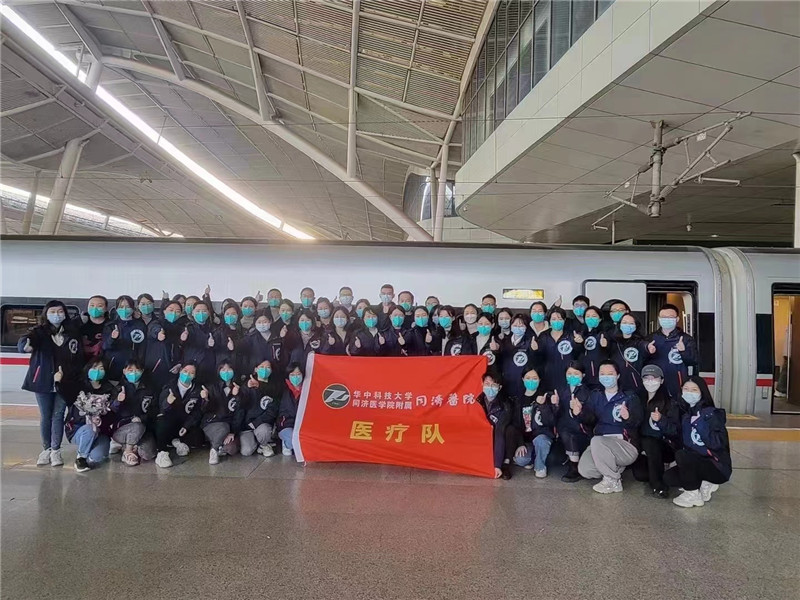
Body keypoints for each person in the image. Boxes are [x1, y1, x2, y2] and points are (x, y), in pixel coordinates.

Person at [19, 300, 84, 468]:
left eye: (60, 311)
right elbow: (25, 342)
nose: (57, 315)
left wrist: (72, 375)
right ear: (46, 314)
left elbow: (78, 356)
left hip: (65, 381)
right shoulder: (38, 332)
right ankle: (46, 449)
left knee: (58, 415)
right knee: (45, 415)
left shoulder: (72, 332)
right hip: (43, 381)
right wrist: (25, 345)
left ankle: (56, 450)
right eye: (53, 311)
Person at [576, 360, 643, 493]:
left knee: (597, 440)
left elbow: (638, 422)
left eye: (610, 373)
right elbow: (590, 419)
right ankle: (614, 468)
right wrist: (580, 413)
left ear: (618, 376)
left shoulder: (629, 396)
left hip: (625, 445)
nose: (606, 377)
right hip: (600, 444)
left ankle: (613, 481)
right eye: (602, 374)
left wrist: (627, 417)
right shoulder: (595, 395)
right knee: (585, 470)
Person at [667, 376, 731, 508]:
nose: (689, 393)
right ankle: (703, 483)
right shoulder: (686, 415)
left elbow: (717, 444)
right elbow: (676, 435)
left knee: (682, 455)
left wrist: (699, 425)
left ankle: (693, 495)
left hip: (716, 466)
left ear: (702, 392)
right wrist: (660, 422)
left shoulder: (711, 414)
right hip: (696, 462)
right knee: (668, 478)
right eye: (686, 389)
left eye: (694, 390)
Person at [63, 359, 117, 472]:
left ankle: (88, 452)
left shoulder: (110, 390)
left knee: (98, 457)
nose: (97, 371)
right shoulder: (78, 387)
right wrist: (58, 382)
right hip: (79, 429)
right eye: (94, 368)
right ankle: (81, 458)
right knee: (90, 429)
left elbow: (112, 415)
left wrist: (101, 420)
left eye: (101, 369)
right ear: (88, 369)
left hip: (101, 431)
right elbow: (66, 397)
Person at [631, 365, 674, 498]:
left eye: (654, 378)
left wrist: (661, 420)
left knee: (650, 442)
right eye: (646, 378)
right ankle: (660, 470)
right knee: (640, 475)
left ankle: (658, 485)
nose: (650, 381)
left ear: (661, 380)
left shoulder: (669, 402)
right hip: (643, 447)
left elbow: (674, 430)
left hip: (664, 445)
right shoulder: (637, 398)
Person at [153, 362, 205, 468]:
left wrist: (186, 426)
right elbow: (161, 409)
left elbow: (197, 412)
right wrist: (168, 402)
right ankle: (162, 452)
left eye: (191, 373)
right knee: (161, 421)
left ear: (195, 376)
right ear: (180, 371)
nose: (187, 375)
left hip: (184, 422)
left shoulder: (197, 389)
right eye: (185, 371)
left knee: (198, 437)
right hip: (169, 421)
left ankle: (176, 441)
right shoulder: (169, 386)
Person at [508, 367, 557, 477]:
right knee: (521, 460)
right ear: (523, 379)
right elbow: (515, 424)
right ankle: (534, 458)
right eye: (528, 378)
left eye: (534, 378)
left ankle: (540, 467)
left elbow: (550, 421)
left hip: (541, 437)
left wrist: (543, 406)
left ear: (539, 380)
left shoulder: (546, 396)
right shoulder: (518, 399)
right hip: (527, 440)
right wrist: (520, 444)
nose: (531, 381)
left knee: (541, 441)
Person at [111, 359, 158, 466]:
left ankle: (131, 446)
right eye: (130, 370)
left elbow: (154, 410)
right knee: (137, 427)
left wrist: (142, 418)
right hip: (122, 429)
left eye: (137, 370)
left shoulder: (149, 389)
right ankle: (127, 451)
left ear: (142, 371)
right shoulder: (118, 388)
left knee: (149, 454)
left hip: (143, 427)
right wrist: (118, 401)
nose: (134, 373)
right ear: (124, 371)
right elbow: (111, 411)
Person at [647, 303, 697, 400]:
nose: (666, 319)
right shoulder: (650, 338)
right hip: (656, 382)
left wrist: (683, 351)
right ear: (659, 319)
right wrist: (646, 351)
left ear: (677, 319)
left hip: (678, 383)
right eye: (663, 317)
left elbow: (693, 361)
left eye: (670, 317)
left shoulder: (686, 339)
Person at [555, 362, 592, 482]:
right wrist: (555, 404)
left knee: (569, 432)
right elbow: (556, 414)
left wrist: (579, 411)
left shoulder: (587, 392)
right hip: (562, 429)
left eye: (576, 374)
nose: (572, 376)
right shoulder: (561, 390)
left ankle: (574, 467)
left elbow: (591, 417)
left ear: (583, 375)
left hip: (581, 430)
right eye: (569, 373)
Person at [531, 307, 583, 391]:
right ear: (549, 321)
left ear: (564, 320)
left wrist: (578, 344)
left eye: (560, 319)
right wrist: (535, 350)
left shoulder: (571, 336)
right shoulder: (543, 336)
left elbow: (578, 355)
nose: (557, 321)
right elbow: (538, 359)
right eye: (554, 319)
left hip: (567, 377)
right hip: (548, 377)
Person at [200, 361, 241, 464]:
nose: (226, 372)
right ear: (218, 372)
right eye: (223, 369)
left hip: (230, 425)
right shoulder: (212, 387)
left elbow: (240, 412)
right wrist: (205, 399)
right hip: (213, 423)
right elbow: (205, 409)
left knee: (231, 448)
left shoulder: (238, 387)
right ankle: (214, 450)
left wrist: (233, 432)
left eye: (229, 369)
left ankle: (219, 445)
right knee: (223, 428)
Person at [239, 360, 281, 457]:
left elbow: (273, 410)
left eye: (268, 367)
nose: (264, 370)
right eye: (261, 367)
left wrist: (256, 423)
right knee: (246, 451)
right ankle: (255, 442)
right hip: (247, 426)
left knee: (264, 431)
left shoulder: (275, 387)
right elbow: (241, 406)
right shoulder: (247, 384)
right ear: (255, 369)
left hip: (262, 424)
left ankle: (263, 445)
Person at [477, 371, 512, 480]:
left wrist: (497, 465)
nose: (490, 387)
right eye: (487, 384)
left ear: (499, 387)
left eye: (494, 385)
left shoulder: (505, 406)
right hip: (481, 440)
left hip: (498, 439)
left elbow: (499, 433)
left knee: (508, 431)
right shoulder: (476, 401)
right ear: (482, 384)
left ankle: (504, 464)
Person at [102, 295, 146, 381]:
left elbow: (142, 348)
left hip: (132, 368)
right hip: (114, 365)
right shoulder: (110, 325)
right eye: (121, 307)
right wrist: (112, 338)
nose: (124, 309)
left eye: (128, 307)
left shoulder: (140, 325)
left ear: (133, 308)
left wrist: (139, 364)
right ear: (117, 309)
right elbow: (105, 346)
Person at [144, 300, 183, 392]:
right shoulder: (157, 323)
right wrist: (158, 333)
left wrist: (180, 363)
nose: (174, 313)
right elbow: (154, 329)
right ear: (164, 311)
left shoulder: (181, 328)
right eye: (171, 310)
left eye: (177, 311)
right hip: (155, 369)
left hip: (173, 371)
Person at [180, 300, 216, 384]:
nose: (201, 314)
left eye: (204, 311)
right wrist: (182, 340)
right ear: (192, 313)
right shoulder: (187, 328)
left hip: (208, 367)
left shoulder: (214, 329)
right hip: (191, 368)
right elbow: (180, 346)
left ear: (208, 313)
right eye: (198, 311)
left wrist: (212, 345)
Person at [498, 314, 533, 400]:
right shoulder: (504, 341)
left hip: (521, 383)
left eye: (521, 325)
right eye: (515, 325)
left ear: (526, 327)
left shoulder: (530, 342)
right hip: (506, 382)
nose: (518, 327)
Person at [612, 313, 649, 392]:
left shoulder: (639, 342)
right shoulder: (614, 342)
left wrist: (648, 347)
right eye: (624, 322)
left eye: (631, 323)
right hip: (617, 385)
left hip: (636, 386)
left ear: (636, 326)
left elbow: (644, 346)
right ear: (619, 325)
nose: (627, 325)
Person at [243, 309, 287, 374]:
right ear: (255, 323)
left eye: (265, 322)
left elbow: (284, 356)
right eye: (259, 322)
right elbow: (245, 358)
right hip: (257, 374)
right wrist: (252, 369)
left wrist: (283, 338)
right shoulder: (250, 338)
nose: (262, 324)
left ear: (270, 321)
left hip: (276, 374)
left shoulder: (277, 337)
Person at [277, 363, 304, 456]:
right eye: (292, 375)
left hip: (303, 427)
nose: (295, 377)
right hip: (286, 425)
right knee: (294, 441)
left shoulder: (308, 389)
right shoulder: (283, 390)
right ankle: (286, 444)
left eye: (298, 374)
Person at [578, 306, 608, 389]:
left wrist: (605, 346)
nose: (590, 318)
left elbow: (609, 351)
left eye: (594, 316)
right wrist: (578, 344)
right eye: (587, 316)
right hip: (583, 377)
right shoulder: (580, 335)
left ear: (600, 319)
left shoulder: (604, 334)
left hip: (598, 378)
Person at [213, 301, 244, 372]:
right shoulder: (218, 331)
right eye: (227, 314)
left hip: (239, 367)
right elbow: (215, 350)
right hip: (224, 368)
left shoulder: (243, 331)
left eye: (233, 314)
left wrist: (235, 346)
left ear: (238, 315)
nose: (230, 316)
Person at [81, 295, 108, 361]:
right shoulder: (80, 323)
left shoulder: (110, 325)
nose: (95, 308)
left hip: (103, 362)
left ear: (106, 308)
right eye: (92, 305)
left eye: (99, 306)